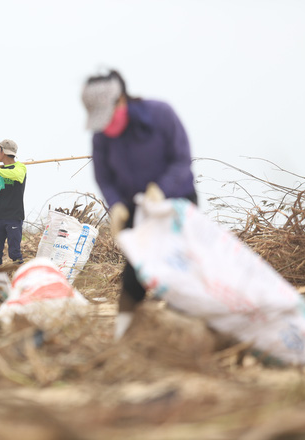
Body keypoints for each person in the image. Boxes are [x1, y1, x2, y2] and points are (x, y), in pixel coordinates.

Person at [81, 69, 197, 340]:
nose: (105, 125)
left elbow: (181, 160)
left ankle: (186, 330)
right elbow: (104, 177)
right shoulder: (101, 136)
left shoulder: (161, 115)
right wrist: (116, 205)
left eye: (108, 116)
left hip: (176, 200)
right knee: (136, 268)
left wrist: (161, 189)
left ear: (121, 100)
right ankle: (124, 334)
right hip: (135, 206)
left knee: (179, 263)